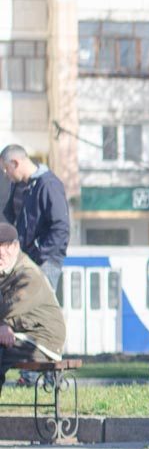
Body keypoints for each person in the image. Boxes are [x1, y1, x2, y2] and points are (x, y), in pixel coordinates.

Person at [1, 221, 66, 391]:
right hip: (22, 332)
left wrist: (3, 325)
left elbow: (8, 309)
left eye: (4, 248)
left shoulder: (28, 275)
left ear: (15, 247)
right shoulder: (7, 269)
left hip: (42, 339)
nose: (1, 255)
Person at [2, 145, 70, 293]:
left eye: (6, 169)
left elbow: (60, 227)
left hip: (45, 262)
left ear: (15, 163)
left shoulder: (48, 184)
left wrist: (39, 254)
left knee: (36, 304)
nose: (5, 174)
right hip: (26, 258)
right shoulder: (20, 186)